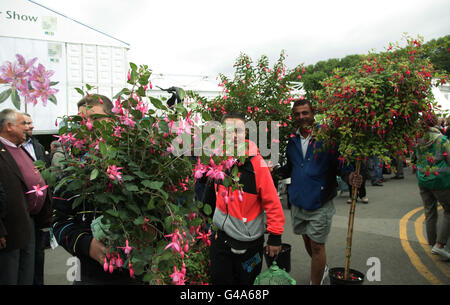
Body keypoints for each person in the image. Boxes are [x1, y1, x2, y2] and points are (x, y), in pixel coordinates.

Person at [52, 94, 140, 284]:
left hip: (138, 271)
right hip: (89, 273)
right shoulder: (73, 171)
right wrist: (87, 244)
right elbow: (60, 222)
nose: (87, 125)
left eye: (94, 119)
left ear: (113, 120)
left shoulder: (139, 162)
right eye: (81, 120)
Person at [275, 99, 362, 285]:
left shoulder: (327, 136)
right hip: (298, 199)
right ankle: (322, 267)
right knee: (307, 239)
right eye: (297, 114)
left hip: (320, 201)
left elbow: (341, 164)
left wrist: (350, 176)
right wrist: (272, 174)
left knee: (316, 245)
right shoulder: (292, 140)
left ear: (313, 113)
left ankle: (316, 281)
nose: (301, 117)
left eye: (305, 112)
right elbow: (290, 167)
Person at [205, 112, 285, 285]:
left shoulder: (257, 164)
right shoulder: (219, 158)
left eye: (238, 131)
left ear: (245, 133)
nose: (233, 136)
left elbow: (272, 202)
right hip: (221, 239)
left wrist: (275, 237)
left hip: (249, 244)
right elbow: (213, 190)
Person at [0, 109, 52, 285]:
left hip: (29, 221)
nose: (28, 128)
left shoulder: (22, 148)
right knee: (9, 275)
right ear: (8, 126)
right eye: (23, 124)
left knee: (27, 275)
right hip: (8, 227)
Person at [413, 115, 450, 260]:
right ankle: (440, 245)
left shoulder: (419, 140)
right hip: (440, 181)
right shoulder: (442, 140)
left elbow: (416, 158)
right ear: (435, 123)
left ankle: (432, 242)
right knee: (448, 210)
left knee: (429, 211)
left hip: (423, 179)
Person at [22, 113, 52, 285]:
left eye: (31, 122)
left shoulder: (37, 146)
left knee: (38, 255)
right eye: (26, 123)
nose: (31, 126)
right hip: (22, 210)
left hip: (39, 211)